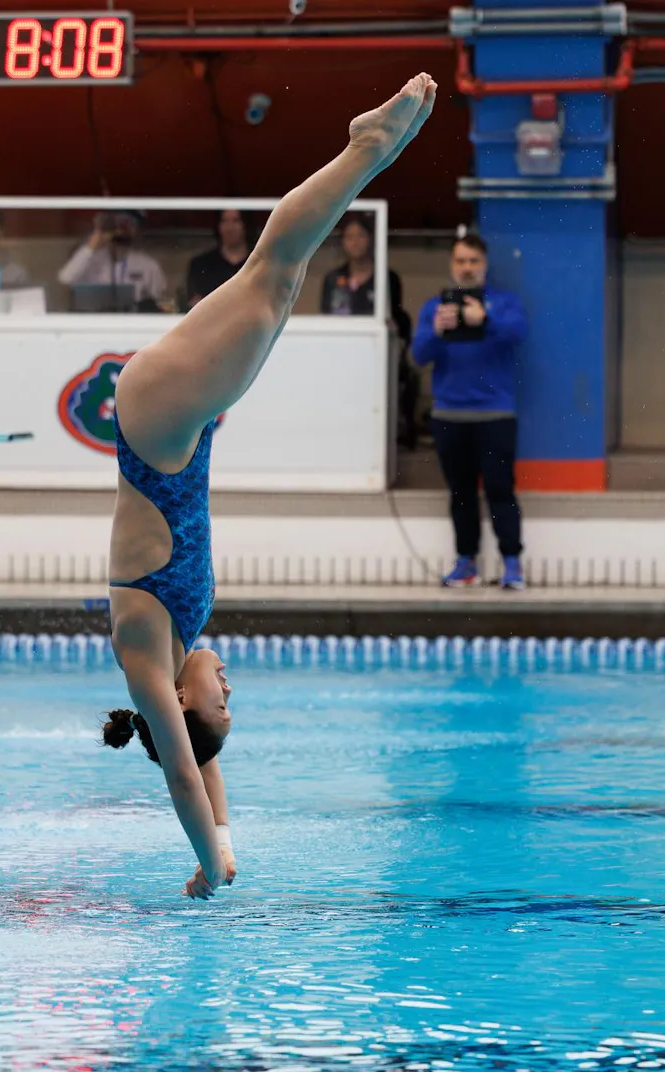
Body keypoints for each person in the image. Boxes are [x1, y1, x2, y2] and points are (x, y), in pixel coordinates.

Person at [102, 73, 437, 900]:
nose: (230, 689)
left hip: (156, 424)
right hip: (184, 429)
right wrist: (220, 837)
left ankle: (366, 146)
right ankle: (365, 155)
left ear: (182, 701)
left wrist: (211, 865)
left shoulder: (145, 651)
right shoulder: (177, 651)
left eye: (222, 703)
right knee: (278, 284)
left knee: (272, 272)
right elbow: (205, 763)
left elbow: (183, 770)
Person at [410, 233, 529, 591]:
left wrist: (485, 321)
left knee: (499, 489)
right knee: (460, 493)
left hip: (494, 415)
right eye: (461, 261)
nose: (467, 268)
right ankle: (466, 563)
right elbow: (418, 356)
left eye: (473, 261)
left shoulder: (504, 303)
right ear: (452, 264)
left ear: (485, 264)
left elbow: (519, 332)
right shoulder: (435, 308)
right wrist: (437, 332)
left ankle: (512, 564)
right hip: (450, 416)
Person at [318, 213, 418, 447]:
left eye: (360, 235)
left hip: (375, 355)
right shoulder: (333, 278)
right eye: (349, 236)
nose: (354, 242)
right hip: (341, 354)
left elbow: (394, 319)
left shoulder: (387, 278)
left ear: (371, 239)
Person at [58, 210, 167, 311]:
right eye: (117, 222)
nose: (122, 228)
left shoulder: (148, 265)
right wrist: (93, 243)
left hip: (132, 325)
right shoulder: (90, 260)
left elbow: (159, 302)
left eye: (130, 223)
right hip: (94, 323)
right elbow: (65, 279)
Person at [184, 210, 251, 310]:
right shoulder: (200, 265)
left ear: (245, 225)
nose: (230, 228)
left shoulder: (259, 264)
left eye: (236, 221)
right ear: (218, 226)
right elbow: (194, 304)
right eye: (224, 221)